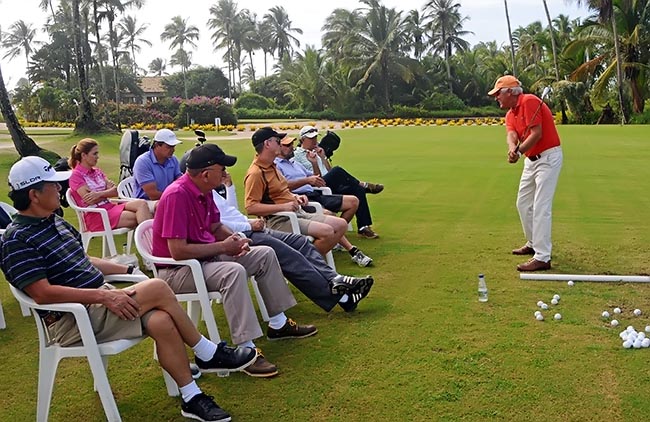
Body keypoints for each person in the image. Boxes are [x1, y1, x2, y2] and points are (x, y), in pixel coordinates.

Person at [1, 156, 257, 422]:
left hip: (98, 305)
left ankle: (191, 396)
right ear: (34, 194)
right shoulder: (17, 239)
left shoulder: (55, 222)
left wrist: (126, 271)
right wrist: (104, 295)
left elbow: (83, 260)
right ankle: (207, 352)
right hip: (71, 319)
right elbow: (42, 293)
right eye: (52, 186)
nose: (59, 190)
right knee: (157, 286)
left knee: (161, 320)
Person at [153, 143, 319, 378]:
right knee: (232, 272)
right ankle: (247, 350)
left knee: (263, 254)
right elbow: (177, 251)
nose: (225, 174)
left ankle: (278, 323)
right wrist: (224, 247)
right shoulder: (176, 195)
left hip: (203, 259)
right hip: (176, 270)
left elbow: (215, 226)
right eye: (222, 169)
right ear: (206, 173)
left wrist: (236, 241)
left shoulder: (205, 190)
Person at [214, 168, 374, 312]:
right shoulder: (255, 173)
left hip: (251, 228)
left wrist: (229, 187)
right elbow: (220, 223)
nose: (225, 172)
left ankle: (335, 279)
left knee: (301, 242)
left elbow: (230, 212)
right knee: (291, 255)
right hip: (242, 236)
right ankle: (342, 296)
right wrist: (248, 225)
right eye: (221, 168)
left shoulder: (209, 192)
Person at [244, 127, 372, 267]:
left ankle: (304, 264)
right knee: (328, 232)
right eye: (277, 141)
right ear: (267, 144)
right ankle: (307, 267)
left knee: (341, 224)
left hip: (298, 211)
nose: (280, 144)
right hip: (280, 220)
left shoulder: (272, 166)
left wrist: (294, 197)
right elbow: (251, 207)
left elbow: (282, 190)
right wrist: (284, 206)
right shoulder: (256, 173)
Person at [488, 75, 563, 272]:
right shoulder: (510, 114)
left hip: (548, 158)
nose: (497, 98)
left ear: (511, 92)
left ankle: (543, 257)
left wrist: (518, 152)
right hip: (531, 160)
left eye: (498, 94)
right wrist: (513, 149)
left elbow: (536, 133)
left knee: (541, 206)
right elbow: (511, 135)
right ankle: (533, 243)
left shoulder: (529, 101)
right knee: (523, 203)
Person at [275, 136, 374, 266]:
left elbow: (318, 179)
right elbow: (282, 187)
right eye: (287, 145)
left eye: (291, 144)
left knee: (353, 201)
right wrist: (306, 181)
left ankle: (336, 238)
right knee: (329, 214)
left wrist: (314, 163)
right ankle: (352, 250)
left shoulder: (295, 163)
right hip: (301, 198)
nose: (291, 147)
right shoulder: (276, 166)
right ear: (278, 147)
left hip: (314, 193)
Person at [294, 125, 382, 239]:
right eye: (311, 139)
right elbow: (316, 177)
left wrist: (323, 158)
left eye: (315, 138)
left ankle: (363, 227)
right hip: (318, 186)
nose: (314, 141)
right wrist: (314, 162)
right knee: (338, 170)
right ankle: (362, 184)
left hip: (329, 184)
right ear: (302, 140)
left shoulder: (319, 151)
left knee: (357, 190)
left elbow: (329, 171)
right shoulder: (297, 155)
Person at [68, 138, 152, 232]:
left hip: (110, 207)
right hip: (97, 215)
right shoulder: (76, 175)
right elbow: (90, 200)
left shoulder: (97, 171)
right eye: (94, 154)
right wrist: (106, 193)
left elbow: (115, 191)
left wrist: (98, 194)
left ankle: (151, 243)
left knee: (142, 204)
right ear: (84, 155)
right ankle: (152, 244)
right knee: (141, 215)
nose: (97, 157)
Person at [133, 128, 182, 201]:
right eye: (169, 147)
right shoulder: (143, 162)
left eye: (173, 146)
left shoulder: (173, 159)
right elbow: (153, 195)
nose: (173, 150)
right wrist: (175, 197)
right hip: (145, 202)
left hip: (167, 198)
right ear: (157, 145)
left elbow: (180, 181)